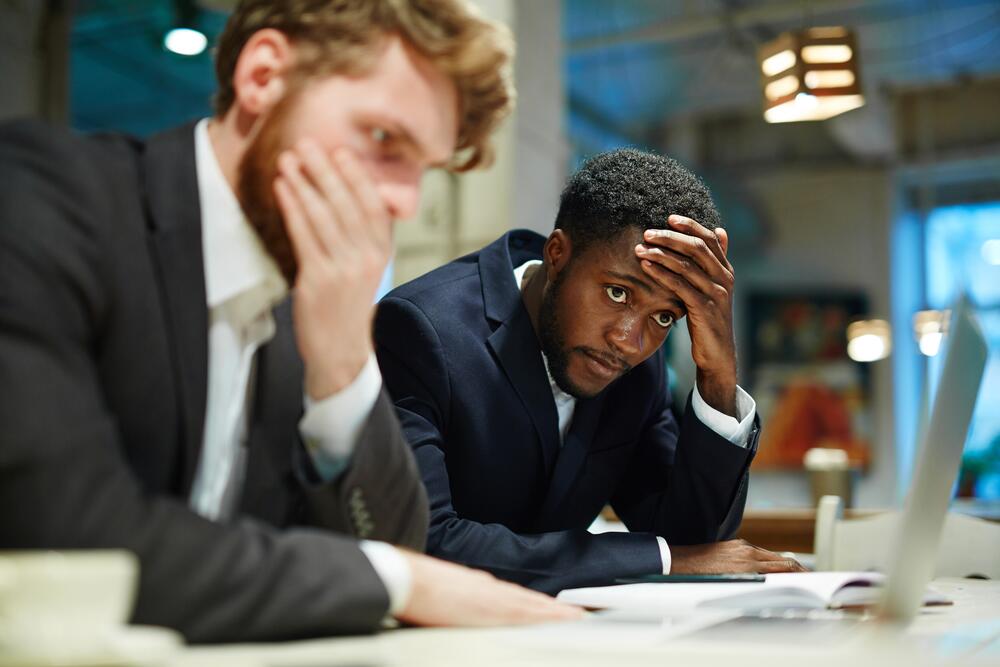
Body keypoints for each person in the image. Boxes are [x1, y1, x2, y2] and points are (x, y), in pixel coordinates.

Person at [0, 0, 579, 644]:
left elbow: (394, 541)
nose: (404, 200)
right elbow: (67, 547)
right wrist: (395, 582)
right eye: (384, 139)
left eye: (422, 168)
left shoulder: (302, 308)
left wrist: (343, 362)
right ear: (264, 76)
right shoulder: (43, 197)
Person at [374, 148, 805, 594]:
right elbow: (424, 541)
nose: (629, 340)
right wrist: (664, 560)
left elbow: (695, 546)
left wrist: (718, 376)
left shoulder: (638, 371)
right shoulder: (422, 330)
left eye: (663, 317)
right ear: (557, 254)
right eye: (618, 293)